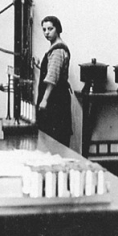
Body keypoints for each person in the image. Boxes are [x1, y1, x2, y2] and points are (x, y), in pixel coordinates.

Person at [37, 15, 72, 147]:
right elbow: (53, 70)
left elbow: (52, 77)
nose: (46, 33)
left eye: (50, 29)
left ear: (58, 29)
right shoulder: (55, 48)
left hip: (55, 99)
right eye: (44, 29)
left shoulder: (58, 50)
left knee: (54, 137)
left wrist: (44, 100)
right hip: (58, 98)